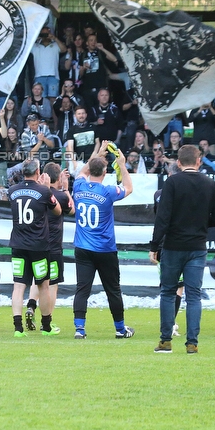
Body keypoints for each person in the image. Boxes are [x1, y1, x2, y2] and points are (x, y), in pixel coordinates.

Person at [149, 145, 215, 354]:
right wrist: (199, 224)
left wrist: (154, 245)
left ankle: (165, 341)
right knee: (194, 295)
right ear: (199, 161)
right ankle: (192, 343)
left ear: (179, 163)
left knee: (167, 292)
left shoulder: (172, 182)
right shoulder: (210, 183)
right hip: (197, 246)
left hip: (173, 246)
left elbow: (162, 218)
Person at [71, 143, 135, 339]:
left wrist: (96, 156)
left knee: (82, 289)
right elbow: (128, 188)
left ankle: (79, 329)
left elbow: (82, 171)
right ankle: (120, 329)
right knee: (113, 290)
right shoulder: (107, 191)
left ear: (90, 169)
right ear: (106, 172)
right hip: (105, 249)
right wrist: (122, 164)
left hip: (82, 248)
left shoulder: (78, 185)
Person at [8, 159, 62, 336]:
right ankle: (46, 326)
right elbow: (58, 211)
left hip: (18, 245)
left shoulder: (12, 191)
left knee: (18, 286)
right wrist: (46, 188)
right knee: (43, 286)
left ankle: (18, 328)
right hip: (39, 246)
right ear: (38, 172)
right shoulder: (43, 191)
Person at [24, 162, 73, 333]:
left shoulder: (36, 193)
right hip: (53, 247)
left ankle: (31, 304)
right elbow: (72, 210)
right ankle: (48, 321)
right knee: (51, 285)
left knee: (39, 280)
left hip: (36, 245)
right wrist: (66, 188)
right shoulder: (60, 196)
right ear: (59, 177)